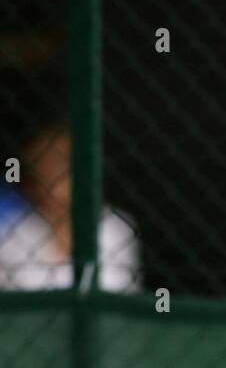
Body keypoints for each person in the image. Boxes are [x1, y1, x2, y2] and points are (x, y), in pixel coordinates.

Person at [0, 121, 141, 292]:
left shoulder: (116, 227)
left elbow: (124, 299)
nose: (53, 174)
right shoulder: (13, 231)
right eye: (45, 165)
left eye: (61, 163)